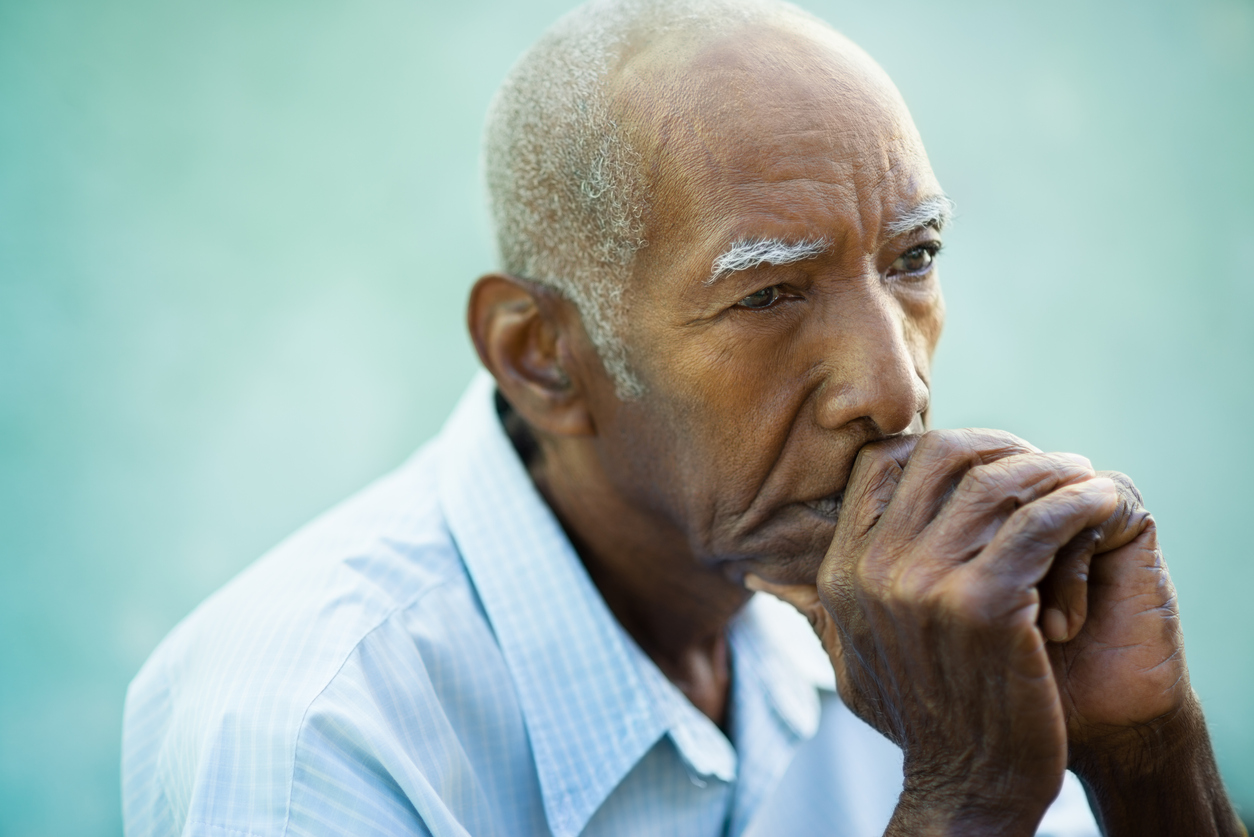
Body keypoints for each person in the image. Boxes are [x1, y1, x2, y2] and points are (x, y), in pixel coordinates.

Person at [122, 0, 1245, 834]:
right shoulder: (310, 724)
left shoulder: (925, 622)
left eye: (913, 259)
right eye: (769, 293)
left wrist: (1147, 758)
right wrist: (965, 799)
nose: (895, 389)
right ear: (541, 356)